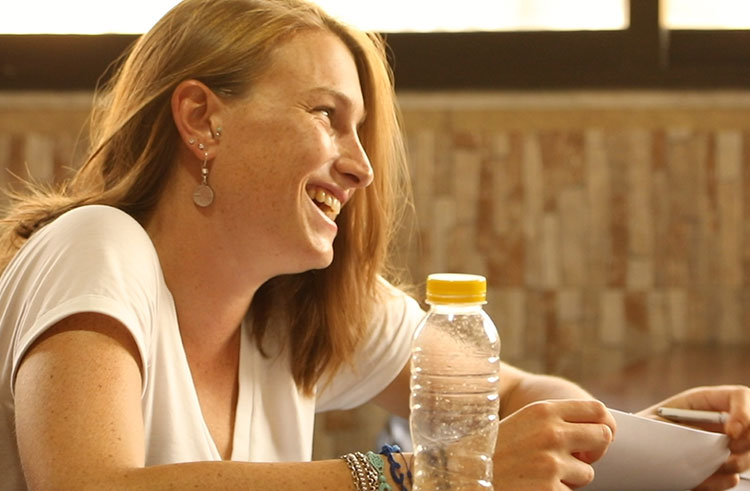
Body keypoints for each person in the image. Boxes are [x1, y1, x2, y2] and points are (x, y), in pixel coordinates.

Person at [0, 0, 748, 489]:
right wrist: (420, 476)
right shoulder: (95, 246)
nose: (361, 167)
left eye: (359, 131)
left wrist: (641, 445)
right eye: (326, 115)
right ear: (201, 118)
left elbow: (511, 395)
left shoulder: (296, 308)